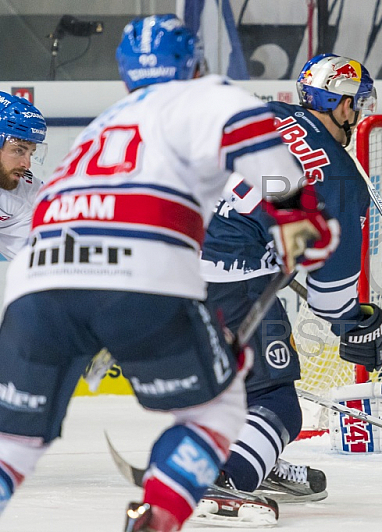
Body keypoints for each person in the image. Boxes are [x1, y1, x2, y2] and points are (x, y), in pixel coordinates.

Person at [0, 14, 339, 532]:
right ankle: (157, 515)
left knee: (14, 443)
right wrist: (302, 221)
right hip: (140, 275)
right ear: (194, 64)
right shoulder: (210, 97)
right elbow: (273, 166)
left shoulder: (103, 123)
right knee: (221, 411)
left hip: (39, 287)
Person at [196, 53, 382, 524]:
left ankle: (256, 457)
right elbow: (329, 297)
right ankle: (228, 476)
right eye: (355, 104)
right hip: (224, 283)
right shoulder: (340, 176)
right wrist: (357, 327)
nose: (357, 114)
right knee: (277, 400)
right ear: (342, 106)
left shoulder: (261, 113)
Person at [0, 92, 47, 260]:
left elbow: (36, 261)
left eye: (31, 153)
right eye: (18, 150)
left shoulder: (26, 191)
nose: (27, 164)